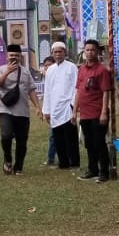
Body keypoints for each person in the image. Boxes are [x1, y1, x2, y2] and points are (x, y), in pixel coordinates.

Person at [0, 44, 39, 175]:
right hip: (5, 109)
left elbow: (31, 90)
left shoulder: (26, 71)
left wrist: (37, 107)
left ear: (20, 57)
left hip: (22, 111)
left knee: (22, 141)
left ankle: (19, 167)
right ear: (7, 56)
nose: (14, 58)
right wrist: (8, 71)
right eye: (11, 55)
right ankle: (7, 159)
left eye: (17, 56)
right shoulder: (1, 70)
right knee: (6, 136)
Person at [74, 39, 113, 182]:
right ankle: (92, 169)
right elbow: (78, 92)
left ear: (97, 52)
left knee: (99, 143)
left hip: (97, 113)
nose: (90, 53)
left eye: (92, 50)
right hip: (84, 114)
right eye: (87, 50)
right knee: (89, 143)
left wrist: (103, 112)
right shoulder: (82, 70)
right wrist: (74, 111)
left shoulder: (101, 70)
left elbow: (105, 92)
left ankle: (104, 172)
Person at [41, 41, 80, 170]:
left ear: (65, 53)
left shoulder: (71, 67)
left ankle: (74, 162)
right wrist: (46, 110)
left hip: (68, 106)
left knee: (70, 136)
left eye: (60, 52)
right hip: (54, 107)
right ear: (52, 54)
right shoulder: (50, 70)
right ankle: (63, 163)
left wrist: (73, 105)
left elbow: (76, 87)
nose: (57, 54)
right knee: (58, 137)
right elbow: (47, 91)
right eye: (55, 52)